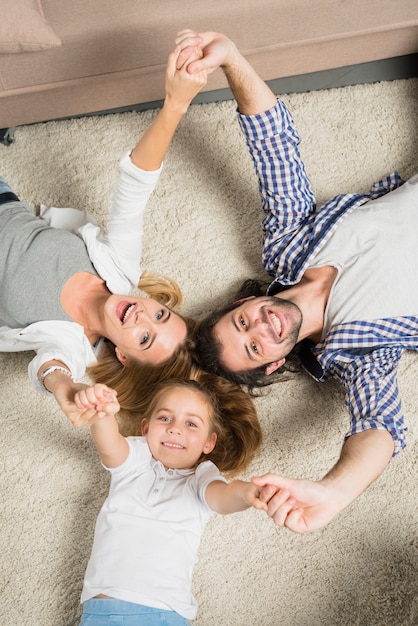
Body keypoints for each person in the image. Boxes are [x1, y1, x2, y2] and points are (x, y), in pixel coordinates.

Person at [175, 30, 418, 533]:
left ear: (248, 300)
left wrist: (232, 58)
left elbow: (274, 150)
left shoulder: (289, 244)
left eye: (242, 321)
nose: (260, 327)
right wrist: (334, 492)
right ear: (275, 364)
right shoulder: (352, 353)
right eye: (255, 346)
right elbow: (379, 425)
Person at [0, 44, 207, 426]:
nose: (143, 317)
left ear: (125, 356)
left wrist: (69, 391)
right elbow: (135, 188)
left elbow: (51, 368)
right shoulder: (119, 267)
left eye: (144, 338)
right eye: (160, 315)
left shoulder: (73, 345)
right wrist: (175, 104)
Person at [73, 376, 264, 625]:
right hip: (104, 609)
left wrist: (247, 493)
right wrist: (103, 412)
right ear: (145, 429)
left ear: (209, 442)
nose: (175, 428)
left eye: (191, 424)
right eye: (164, 418)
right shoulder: (135, 460)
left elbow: (222, 497)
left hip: (165, 612)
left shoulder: (201, 476)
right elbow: (110, 446)